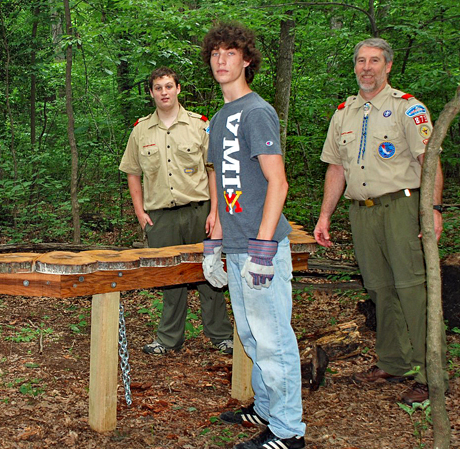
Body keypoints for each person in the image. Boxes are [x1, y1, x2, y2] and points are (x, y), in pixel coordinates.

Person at [313, 37, 447, 405]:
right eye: (360, 61)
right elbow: (336, 168)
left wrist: (433, 210)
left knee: (411, 289)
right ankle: (393, 361)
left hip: (402, 208)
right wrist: (325, 216)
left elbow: (429, 163)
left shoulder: (408, 109)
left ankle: (429, 373)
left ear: (388, 66)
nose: (366, 67)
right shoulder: (345, 113)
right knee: (379, 289)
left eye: (374, 61)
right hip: (362, 212)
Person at [200, 23, 306, 449]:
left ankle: (288, 431)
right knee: (250, 336)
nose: (221, 60)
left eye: (231, 53)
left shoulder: (257, 110)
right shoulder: (221, 117)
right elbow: (221, 180)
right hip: (237, 244)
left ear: (246, 60)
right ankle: (264, 408)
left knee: (275, 341)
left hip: (262, 248)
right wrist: (215, 239)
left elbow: (277, 183)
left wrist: (263, 248)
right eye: (215, 53)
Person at [119, 66, 234, 356]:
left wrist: (215, 212)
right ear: (151, 93)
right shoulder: (141, 130)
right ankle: (169, 339)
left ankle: (221, 335)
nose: (164, 92)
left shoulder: (199, 125)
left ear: (178, 88)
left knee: (211, 276)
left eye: (169, 86)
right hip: (161, 216)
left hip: (199, 211)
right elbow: (132, 172)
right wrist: (139, 212)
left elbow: (214, 170)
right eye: (158, 88)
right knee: (170, 281)